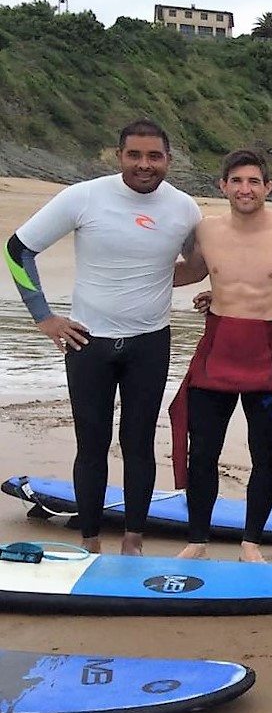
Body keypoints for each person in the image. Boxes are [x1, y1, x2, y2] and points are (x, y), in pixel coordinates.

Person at [7, 118, 201, 555]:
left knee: (139, 443)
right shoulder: (84, 196)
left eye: (154, 156)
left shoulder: (185, 208)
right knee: (91, 442)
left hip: (150, 342)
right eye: (134, 154)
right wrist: (44, 318)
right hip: (87, 343)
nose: (144, 164)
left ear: (168, 159)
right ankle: (90, 541)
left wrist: (169, 283)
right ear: (119, 156)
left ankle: (133, 540)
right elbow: (18, 250)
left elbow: (199, 264)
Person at [168, 149, 272, 563]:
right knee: (204, 451)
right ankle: (197, 538)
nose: (244, 189)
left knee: (263, 453)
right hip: (217, 350)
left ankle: (251, 542)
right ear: (223, 186)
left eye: (254, 181)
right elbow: (192, 271)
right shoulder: (207, 230)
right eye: (236, 181)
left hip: (267, 355)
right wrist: (129, 275)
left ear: (268, 187)